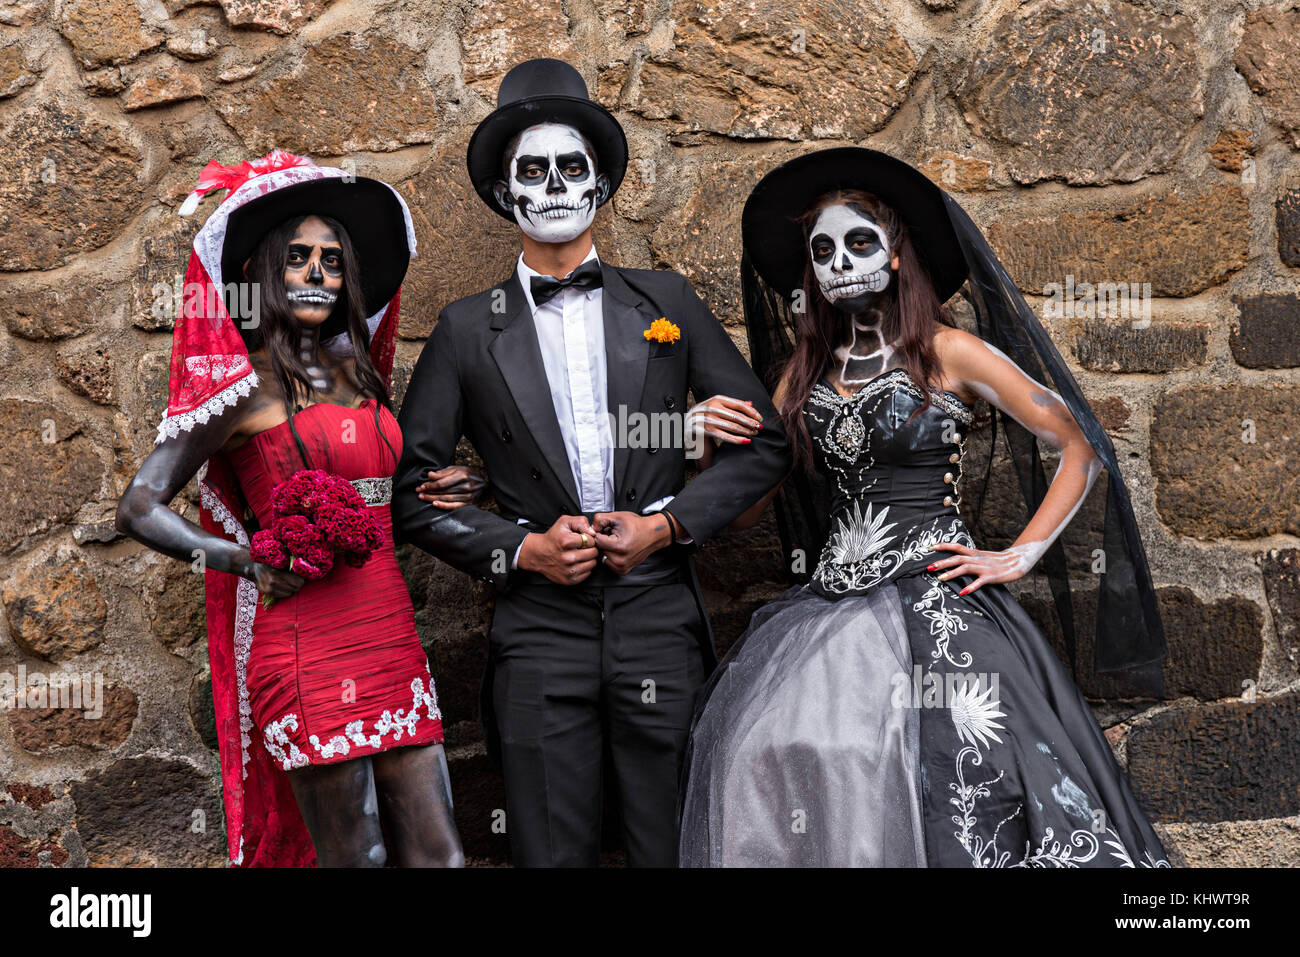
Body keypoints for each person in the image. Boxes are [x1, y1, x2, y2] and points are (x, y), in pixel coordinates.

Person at [677, 147, 1170, 868]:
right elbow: (748, 514)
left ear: (898, 254)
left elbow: (1078, 444)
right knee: (768, 747)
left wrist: (1018, 553)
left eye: (859, 242)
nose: (840, 262)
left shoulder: (950, 353)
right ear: (809, 272)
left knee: (960, 770)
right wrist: (704, 449)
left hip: (940, 599)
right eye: (822, 251)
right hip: (823, 618)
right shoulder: (797, 379)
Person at [391, 58, 791, 867]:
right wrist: (520, 548)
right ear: (507, 193)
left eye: (570, 166)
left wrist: (669, 524)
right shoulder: (468, 330)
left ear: (600, 183)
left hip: (656, 621)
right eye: (530, 171)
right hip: (539, 630)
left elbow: (767, 442)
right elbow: (410, 495)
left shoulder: (666, 303)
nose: (551, 185)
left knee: (673, 841)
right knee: (547, 843)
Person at [116, 150, 473, 867]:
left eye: (333, 261)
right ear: (260, 272)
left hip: (391, 630)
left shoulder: (358, 369)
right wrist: (244, 561)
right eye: (299, 258)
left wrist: (450, 488)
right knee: (357, 859)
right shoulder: (242, 387)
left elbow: (377, 490)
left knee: (441, 857)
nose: (317, 274)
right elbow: (139, 507)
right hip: (305, 643)